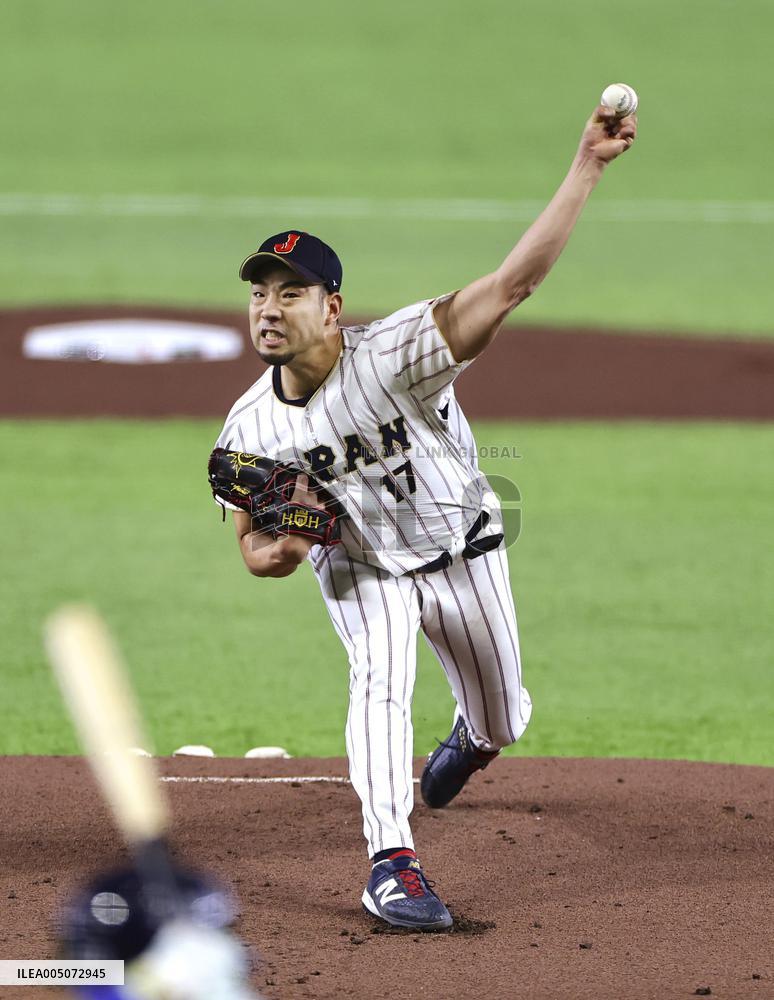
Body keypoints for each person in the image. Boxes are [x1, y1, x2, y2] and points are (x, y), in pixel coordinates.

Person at [212, 105, 637, 930]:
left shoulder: (400, 352)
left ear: (331, 308)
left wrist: (587, 164)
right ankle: (390, 865)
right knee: (379, 679)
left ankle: (471, 739)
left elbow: (512, 286)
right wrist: (296, 534)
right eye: (259, 291)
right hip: (365, 568)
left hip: (463, 550)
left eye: (289, 292)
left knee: (506, 716)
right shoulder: (245, 432)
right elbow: (256, 555)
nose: (268, 306)